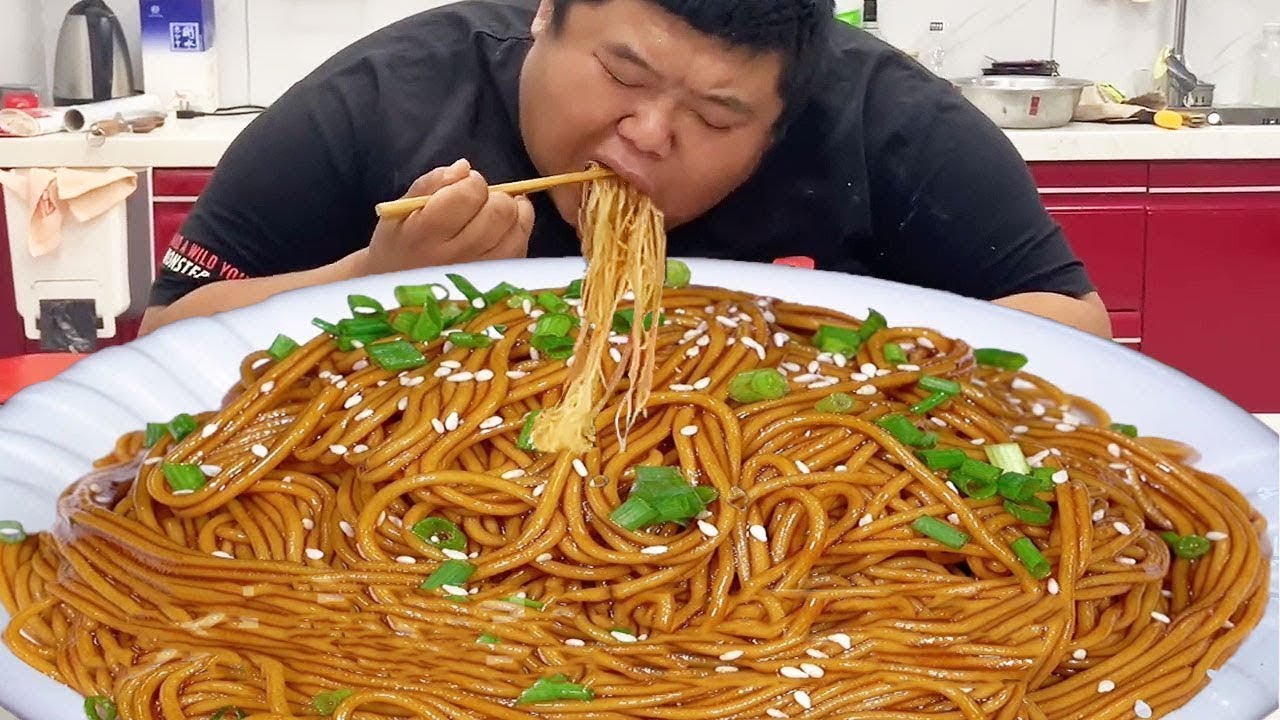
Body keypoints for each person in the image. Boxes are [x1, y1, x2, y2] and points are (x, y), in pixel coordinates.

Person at [138, 0, 1110, 338]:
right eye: (619, 71)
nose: (647, 133)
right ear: (543, 15)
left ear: (780, 118)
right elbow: (164, 332)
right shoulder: (379, 101)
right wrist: (366, 285)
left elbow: (1075, 325)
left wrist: (828, 342)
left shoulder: (882, 117)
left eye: (716, 115)